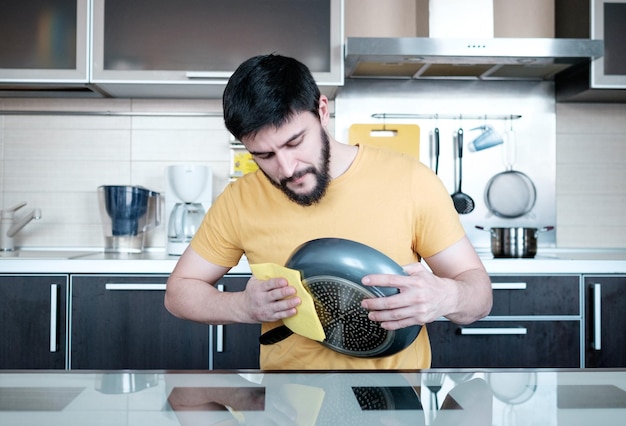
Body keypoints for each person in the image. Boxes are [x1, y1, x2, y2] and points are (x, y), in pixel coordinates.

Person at [165, 53, 492, 370]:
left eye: (295, 143)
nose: (286, 168)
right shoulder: (240, 199)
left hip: (396, 401)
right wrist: (241, 307)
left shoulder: (411, 179)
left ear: (322, 111)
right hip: (289, 405)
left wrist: (446, 296)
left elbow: (479, 296)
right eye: (264, 155)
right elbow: (179, 292)